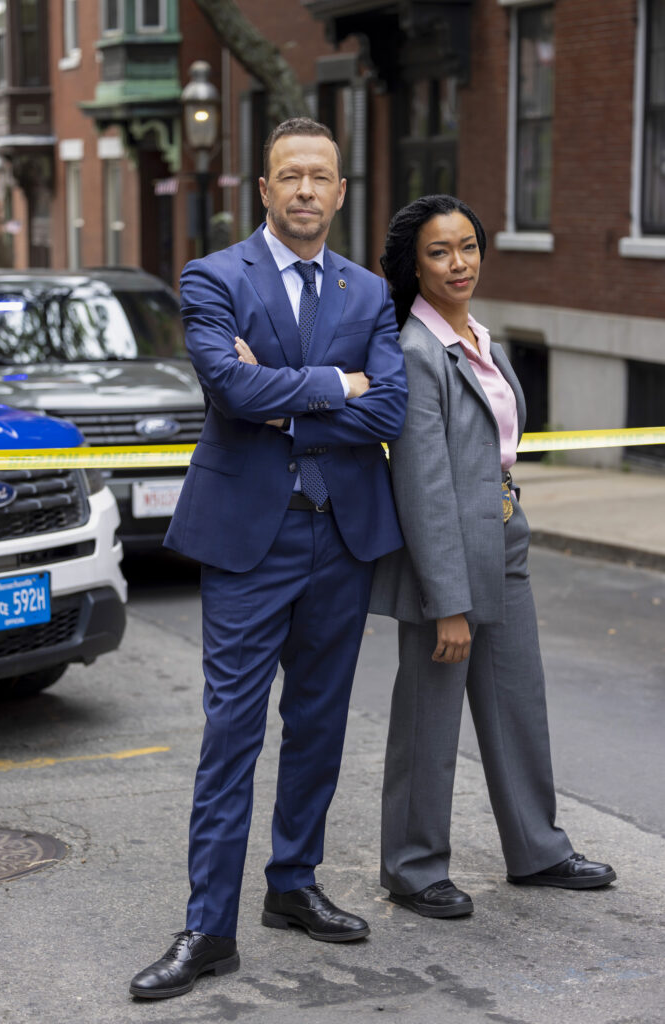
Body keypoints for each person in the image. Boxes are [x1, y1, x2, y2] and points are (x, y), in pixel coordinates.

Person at [129, 118, 407, 1000]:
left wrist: (284, 401)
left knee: (319, 728)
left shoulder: (369, 294)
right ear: (264, 190)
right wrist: (336, 385)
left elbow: (391, 409)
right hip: (249, 541)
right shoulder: (213, 276)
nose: (303, 191)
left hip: (344, 536)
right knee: (231, 735)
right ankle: (208, 927)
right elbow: (229, 386)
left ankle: (293, 884)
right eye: (288, 175)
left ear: (339, 190)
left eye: (318, 176)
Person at [370, 194, 615, 920]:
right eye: (440, 252)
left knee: (516, 700)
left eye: (468, 246)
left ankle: (536, 849)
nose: (459, 263)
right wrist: (446, 600)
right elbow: (421, 485)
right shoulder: (416, 352)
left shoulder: (479, 337)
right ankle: (413, 867)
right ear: (413, 267)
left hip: (502, 537)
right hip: (444, 551)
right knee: (430, 713)